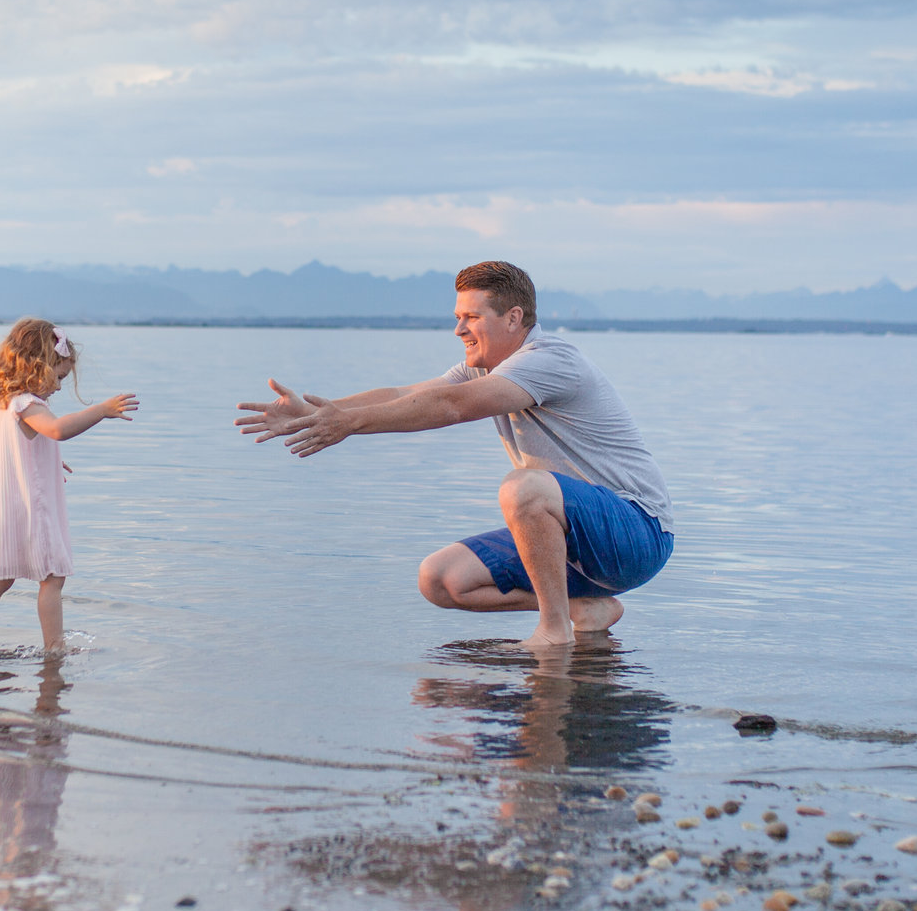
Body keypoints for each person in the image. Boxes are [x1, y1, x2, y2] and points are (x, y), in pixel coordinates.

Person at [235, 261, 672, 649]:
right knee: (441, 579)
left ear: (513, 318)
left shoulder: (550, 360)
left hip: (637, 532)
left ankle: (553, 632)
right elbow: (407, 394)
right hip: (576, 541)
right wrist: (316, 413)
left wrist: (349, 426)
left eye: (471, 317)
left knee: (523, 489)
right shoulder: (483, 366)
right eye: (458, 317)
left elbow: (452, 406)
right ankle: (585, 609)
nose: (459, 330)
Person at [0, 318, 138, 652]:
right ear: (36, 365)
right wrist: (101, 410)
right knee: (54, 576)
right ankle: (54, 647)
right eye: (58, 377)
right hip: (30, 507)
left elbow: (17, 449)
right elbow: (57, 430)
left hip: (6, 507)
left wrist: (48, 458)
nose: (58, 388)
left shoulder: (5, 403)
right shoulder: (28, 403)